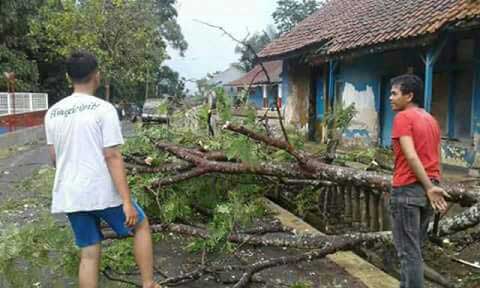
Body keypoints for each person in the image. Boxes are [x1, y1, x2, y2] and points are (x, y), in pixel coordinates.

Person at [45, 51, 162, 288]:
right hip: (101, 192)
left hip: (71, 194)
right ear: (97, 75)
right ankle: (149, 284)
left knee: (88, 252)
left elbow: (54, 157)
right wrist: (126, 201)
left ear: (69, 77)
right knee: (140, 225)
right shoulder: (103, 109)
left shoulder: (53, 112)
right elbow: (112, 156)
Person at [389, 74, 449, 288]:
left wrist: (430, 187)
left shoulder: (403, 118)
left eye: (395, 93)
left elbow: (411, 155)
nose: (390, 98)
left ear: (409, 95)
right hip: (426, 191)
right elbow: (437, 156)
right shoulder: (431, 119)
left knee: (408, 253)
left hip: (407, 190)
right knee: (414, 250)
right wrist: (434, 185)